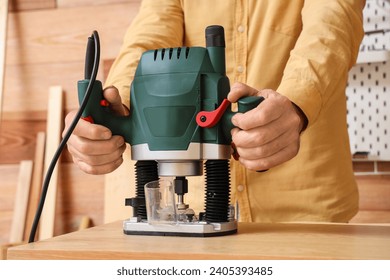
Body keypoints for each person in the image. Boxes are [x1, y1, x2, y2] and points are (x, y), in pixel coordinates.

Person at [64, 0, 365, 223]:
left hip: (300, 205)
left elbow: (330, 27)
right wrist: (112, 112)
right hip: (162, 207)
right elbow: (146, 41)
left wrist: (297, 101)